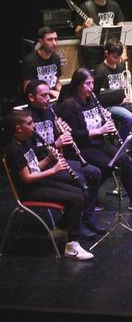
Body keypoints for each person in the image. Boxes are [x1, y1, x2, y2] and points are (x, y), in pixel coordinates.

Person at [3, 110, 94, 260]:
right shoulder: (14, 150)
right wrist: (53, 170)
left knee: (79, 192)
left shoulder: (24, 142)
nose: (33, 127)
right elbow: (26, 178)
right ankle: (72, 246)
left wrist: (49, 158)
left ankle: (61, 228)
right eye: (29, 123)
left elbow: (33, 167)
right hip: (29, 191)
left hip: (38, 184)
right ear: (18, 128)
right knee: (75, 199)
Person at [58, 68, 132, 213]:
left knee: (124, 159)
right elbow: (73, 134)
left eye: (92, 83)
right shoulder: (69, 105)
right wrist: (99, 131)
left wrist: (106, 119)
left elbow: (97, 121)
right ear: (78, 85)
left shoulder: (92, 99)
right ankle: (90, 195)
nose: (91, 87)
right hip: (83, 147)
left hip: (99, 143)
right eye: (87, 84)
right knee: (107, 165)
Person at [24, 79, 103, 235]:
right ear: (31, 97)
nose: (48, 98)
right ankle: (72, 224)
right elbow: (30, 152)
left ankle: (86, 217)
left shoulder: (50, 111)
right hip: (42, 166)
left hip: (56, 160)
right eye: (43, 95)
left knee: (95, 173)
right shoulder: (27, 120)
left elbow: (58, 144)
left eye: (49, 94)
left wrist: (63, 133)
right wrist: (56, 143)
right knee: (80, 183)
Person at [74, 0, 126, 69]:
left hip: (113, 52)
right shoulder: (85, 7)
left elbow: (122, 31)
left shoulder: (114, 5)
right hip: (93, 56)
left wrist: (124, 51)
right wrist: (84, 28)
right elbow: (77, 33)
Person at [93, 38, 132, 142]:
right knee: (128, 117)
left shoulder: (121, 67)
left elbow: (125, 86)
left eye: (119, 57)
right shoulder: (100, 70)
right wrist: (120, 99)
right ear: (106, 53)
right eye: (114, 57)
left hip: (122, 102)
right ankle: (121, 143)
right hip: (109, 106)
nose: (117, 60)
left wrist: (126, 91)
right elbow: (99, 96)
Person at [21, 26, 63, 98]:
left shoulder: (56, 58)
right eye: (50, 40)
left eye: (56, 39)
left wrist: (63, 93)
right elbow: (27, 90)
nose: (54, 43)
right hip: (38, 100)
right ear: (41, 42)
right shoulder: (29, 61)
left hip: (53, 98)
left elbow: (57, 83)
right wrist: (49, 91)